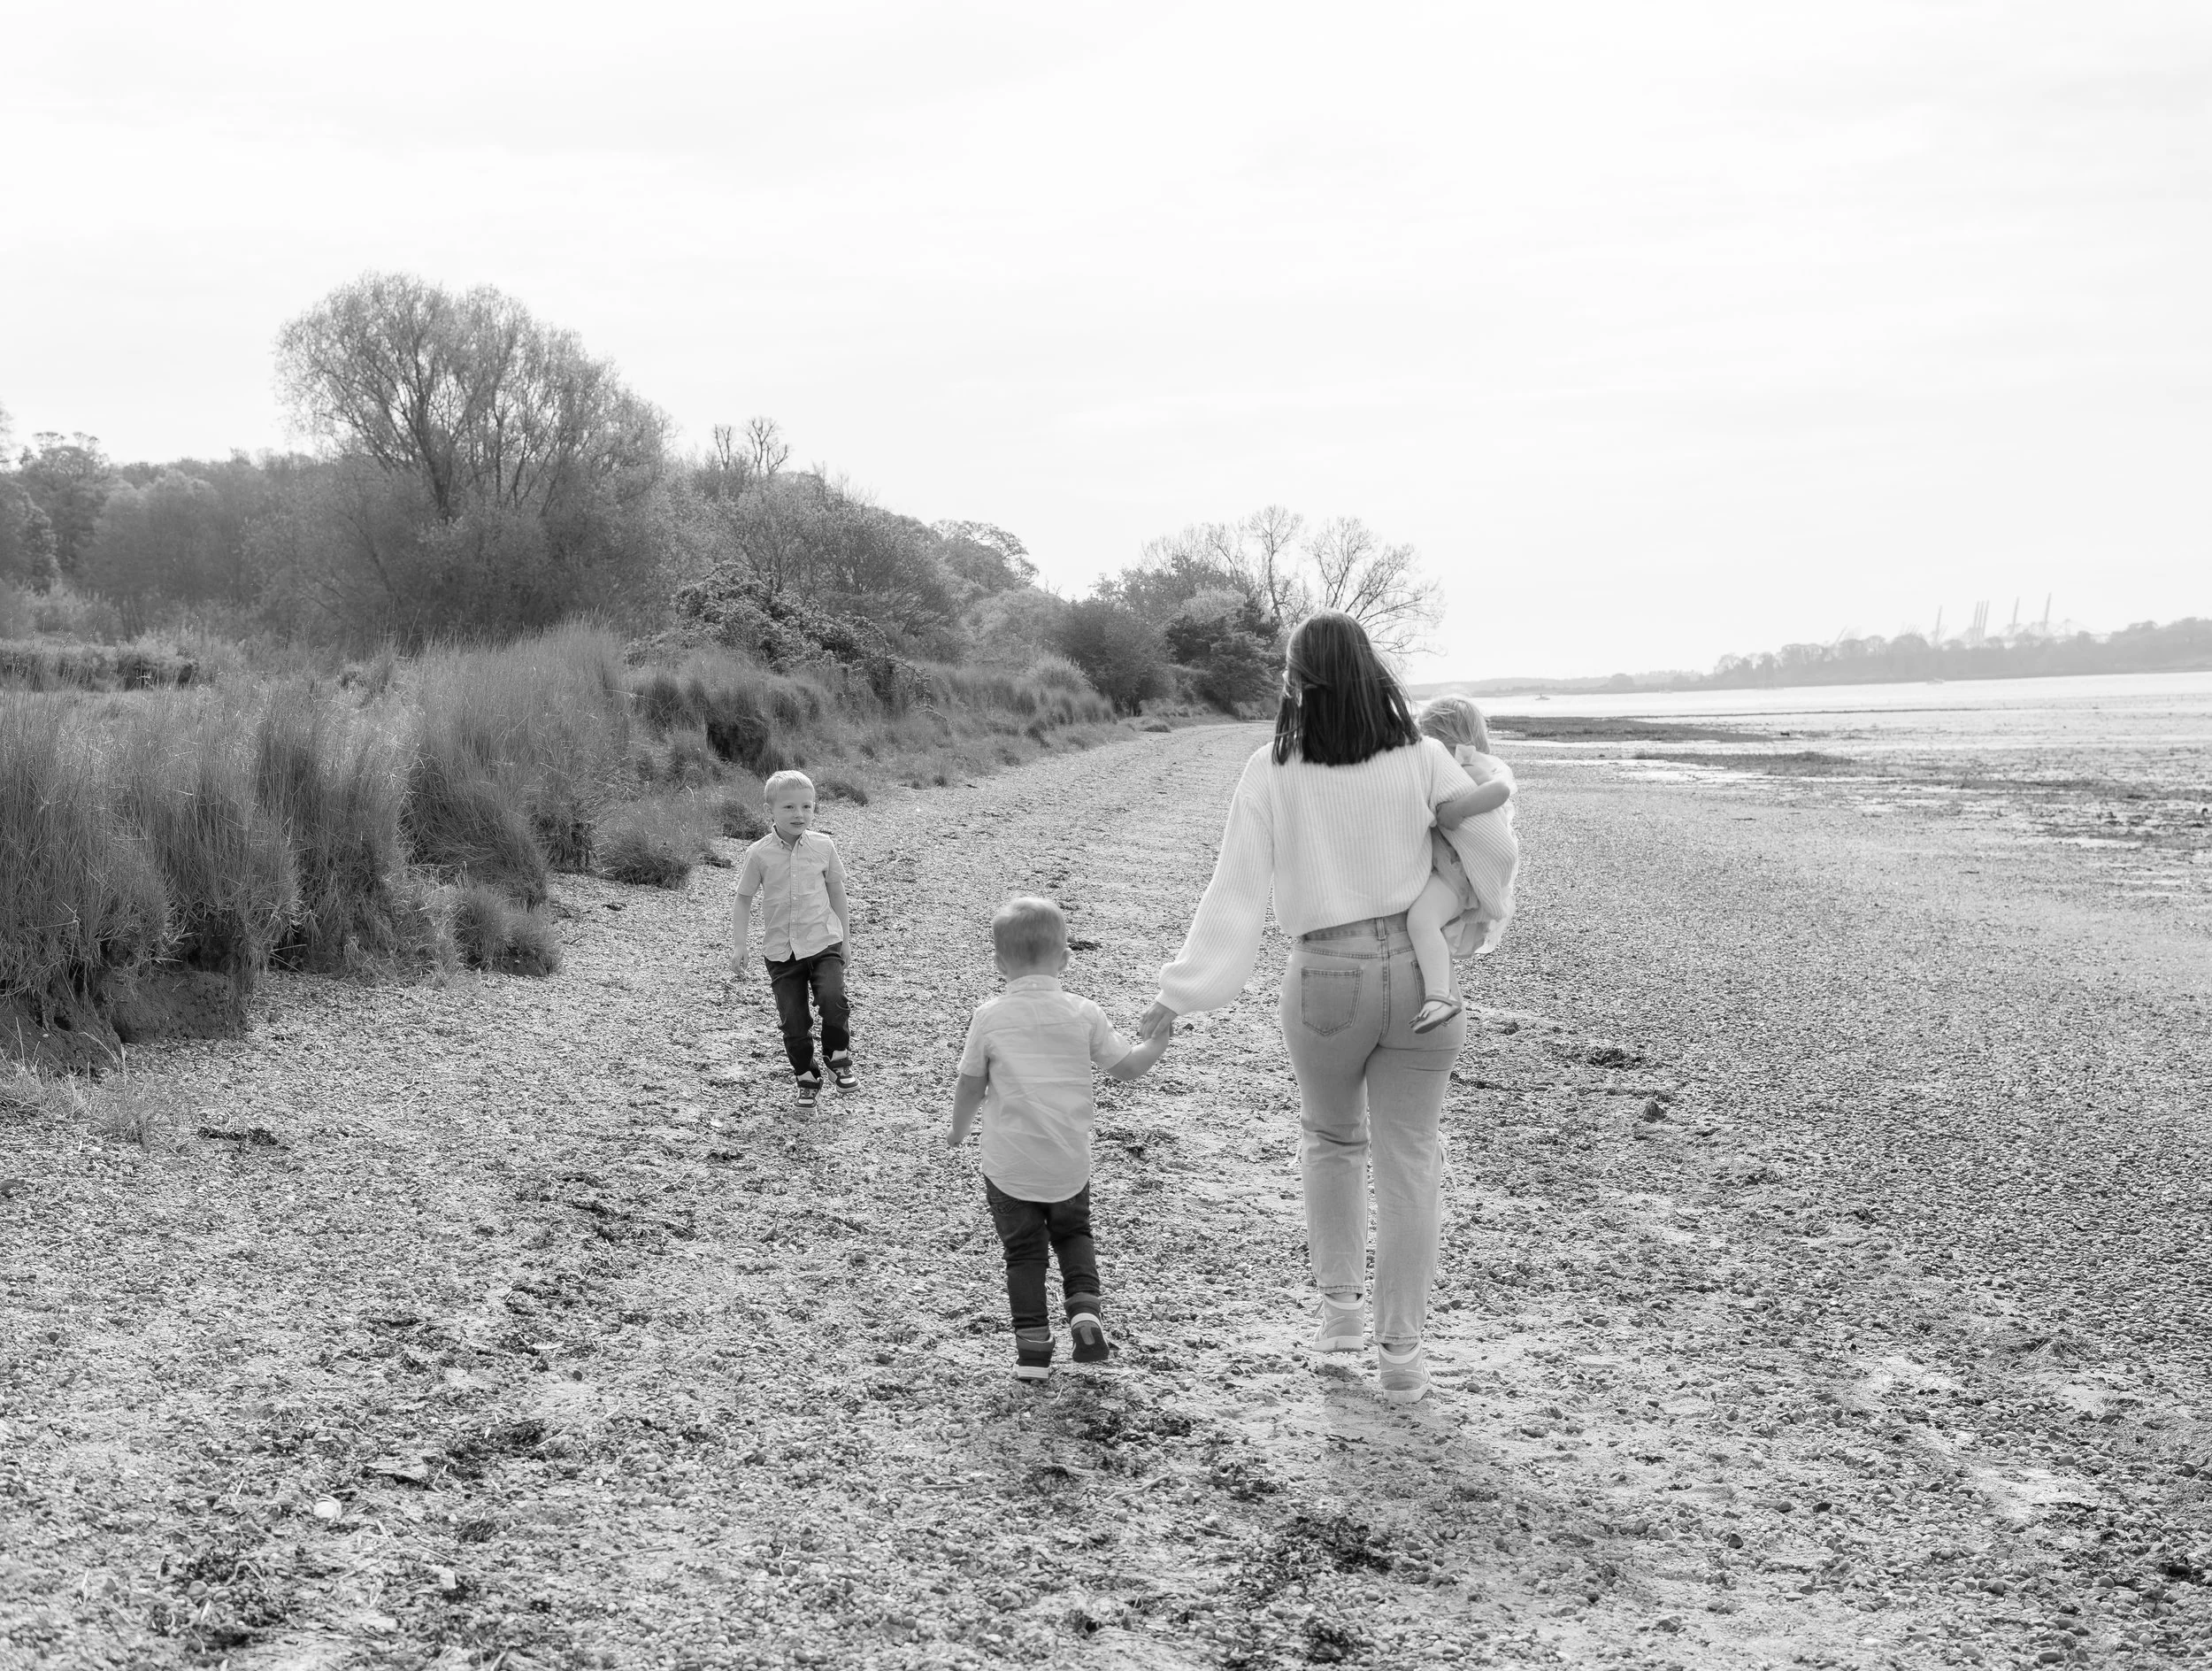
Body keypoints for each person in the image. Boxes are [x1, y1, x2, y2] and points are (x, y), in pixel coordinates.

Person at [1136, 612, 1475, 1405]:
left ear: (1296, 681)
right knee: (1410, 1160)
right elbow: (1491, 839)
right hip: (1425, 980)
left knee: (1331, 1141)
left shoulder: (1272, 766)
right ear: (1372, 671)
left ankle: (1340, 1317)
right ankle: (1403, 1356)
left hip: (1326, 974)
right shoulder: (1424, 758)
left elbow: (1237, 890)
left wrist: (1178, 994)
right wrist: (1469, 916)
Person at [948, 896, 1171, 1380]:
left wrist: (958, 1130)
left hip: (1009, 1164)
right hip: (1068, 1161)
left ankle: (1032, 1352)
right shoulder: (1083, 1013)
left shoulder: (989, 1017)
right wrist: (1157, 1040)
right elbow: (1128, 1068)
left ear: (998, 964)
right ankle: (1085, 1311)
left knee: (1023, 1253)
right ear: (1065, 959)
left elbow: (971, 1084)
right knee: (1073, 1233)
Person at [731, 770, 856, 1110]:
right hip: (781, 952)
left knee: (834, 998)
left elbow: (836, 890)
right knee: (794, 1021)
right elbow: (743, 898)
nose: (799, 814)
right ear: (770, 809)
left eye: (806, 806)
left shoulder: (823, 846)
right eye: (788, 807)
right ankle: (806, 1076)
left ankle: (837, 1056)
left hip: (823, 941)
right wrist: (740, 944)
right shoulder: (758, 854)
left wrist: (845, 937)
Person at [1402, 695, 1522, 1034]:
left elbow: (1499, 790)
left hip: (1459, 871)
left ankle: (1440, 997)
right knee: (1427, 925)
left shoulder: (1468, 764)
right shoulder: (1445, 764)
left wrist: (1457, 811)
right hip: (1449, 867)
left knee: (1422, 920)